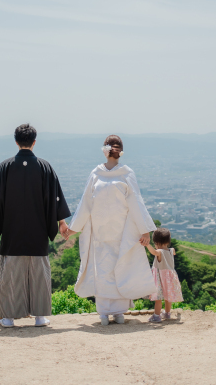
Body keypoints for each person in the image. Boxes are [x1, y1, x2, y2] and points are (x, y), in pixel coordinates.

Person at [0, 123, 71, 327]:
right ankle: (39, 317)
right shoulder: (45, 167)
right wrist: (61, 222)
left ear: (16, 141)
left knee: (11, 275)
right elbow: (55, 199)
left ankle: (8, 317)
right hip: (38, 232)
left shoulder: (5, 166)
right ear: (34, 142)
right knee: (39, 274)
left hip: (12, 231)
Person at [63, 135, 157, 325]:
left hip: (110, 231)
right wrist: (144, 230)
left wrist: (74, 228)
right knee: (116, 268)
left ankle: (108, 313)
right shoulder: (121, 173)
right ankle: (115, 313)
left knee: (107, 270)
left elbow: (86, 204)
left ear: (105, 150)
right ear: (120, 151)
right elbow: (136, 203)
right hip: (112, 232)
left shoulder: (102, 174)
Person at [145, 227, 183, 323]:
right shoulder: (171, 250)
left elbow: (154, 252)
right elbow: (173, 251)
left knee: (158, 298)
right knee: (168, 297)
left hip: (160, 278)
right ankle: (167, 313)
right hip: (170, 278)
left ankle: (156, 316)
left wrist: (147, 245)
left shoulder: (160, 252)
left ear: (156, 243)